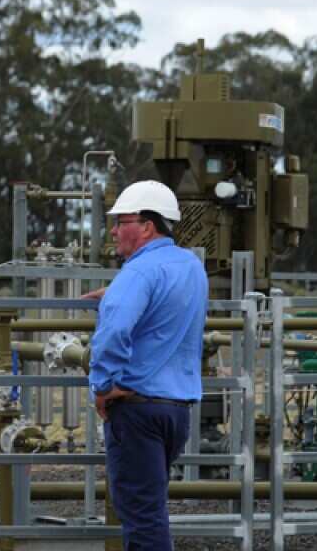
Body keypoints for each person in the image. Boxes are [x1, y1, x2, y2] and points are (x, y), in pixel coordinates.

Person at [82, 179, 207, 551]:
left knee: (142, 518)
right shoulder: (190, 267)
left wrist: (103, 387)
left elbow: (114, 332)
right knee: (152, 508)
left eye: (122, 222)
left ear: (147, 226)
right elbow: (167, 304)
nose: (115, 231)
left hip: (136, 409)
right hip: (176, 411)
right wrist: (117, 291)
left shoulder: (137, 274)